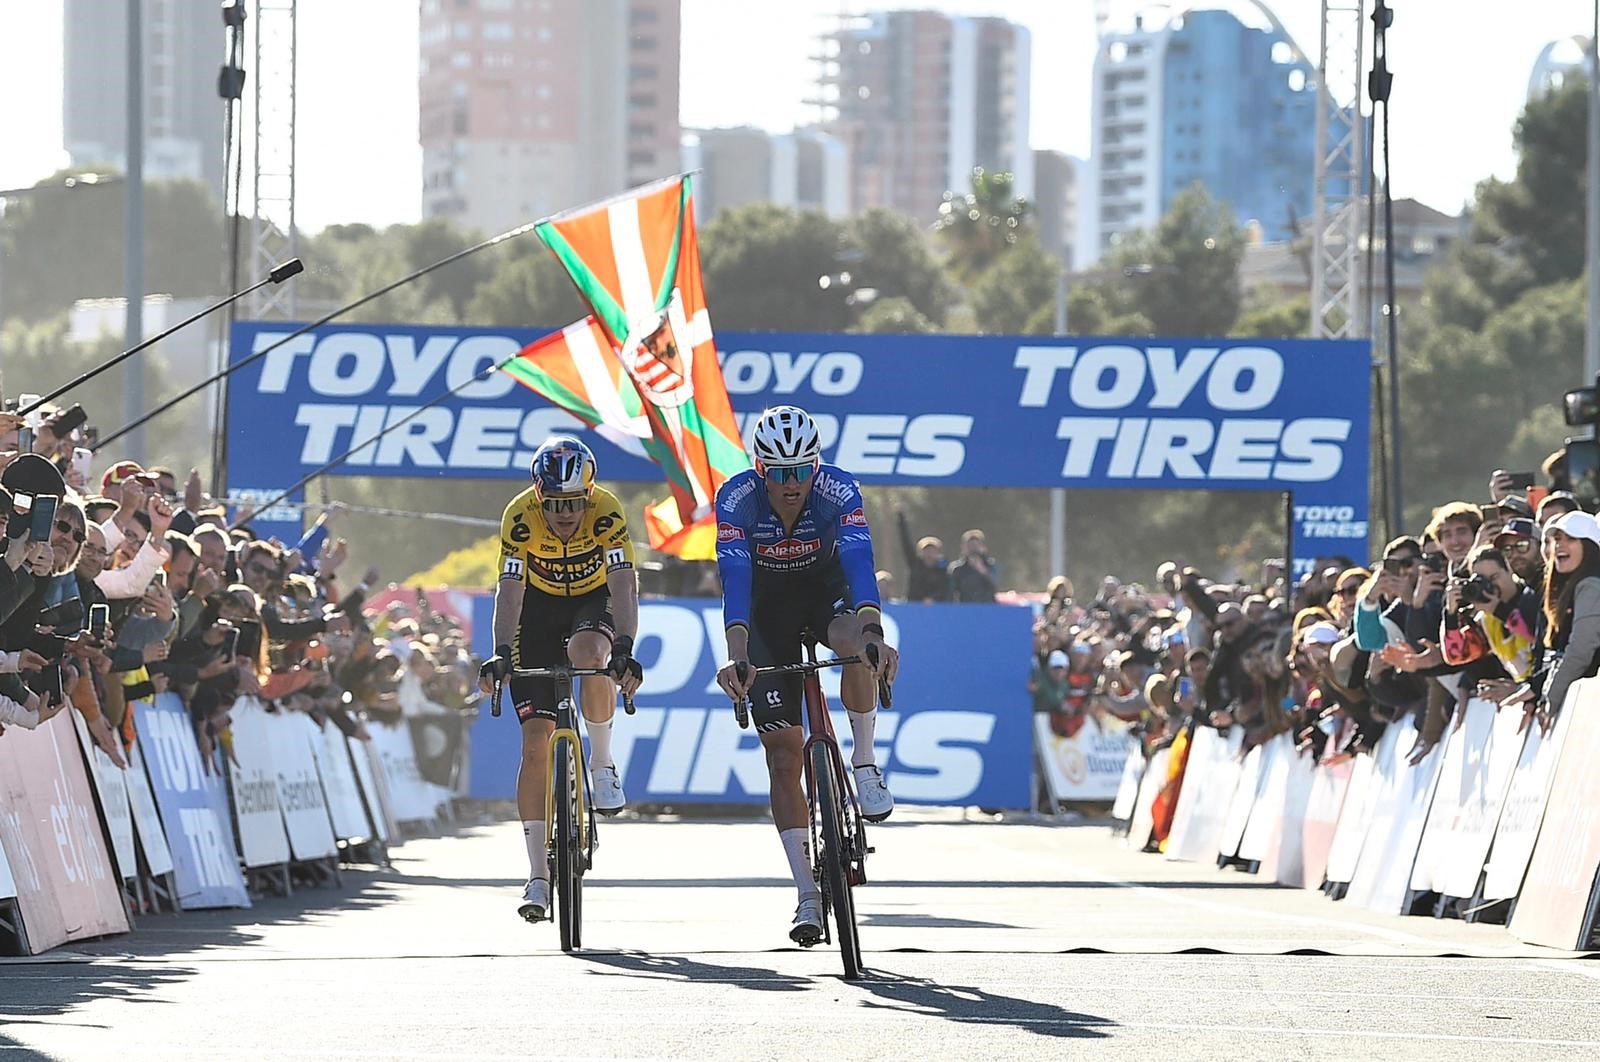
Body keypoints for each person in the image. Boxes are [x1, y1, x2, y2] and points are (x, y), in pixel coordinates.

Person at [711, 405, 899, 945]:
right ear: (760, 469)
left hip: (825, 592)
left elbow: (861, 562)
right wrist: (738, 651)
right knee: (783, 754)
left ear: (816, 466)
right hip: (766, 607)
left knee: (856, 647)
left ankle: (863, 761)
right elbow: (736, 576)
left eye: (801, 470)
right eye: (779, 472)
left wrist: (872, 630)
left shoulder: (838, 489)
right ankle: (808, 895)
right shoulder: (736, 498)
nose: (791, 484)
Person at [477, 436, 644, 924]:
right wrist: (502, 653)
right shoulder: (520, 516)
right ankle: (536, 875)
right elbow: (508, 592)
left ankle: (602, 763)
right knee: (534, 744)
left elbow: (623, 584)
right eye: (556, 504)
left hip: (593, 601)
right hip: (538, 608)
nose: (566, 513)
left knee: (590, 652)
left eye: (574, 503)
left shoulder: (608, 511)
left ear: (588, 496)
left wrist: (626, 647)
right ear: (540, 496)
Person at [948, 529, 1000, 602]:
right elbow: (951, 591)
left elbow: (995, 585)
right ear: (963, 548)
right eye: (970, 545)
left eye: (976, 545)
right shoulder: (957, 568)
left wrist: (983, 571)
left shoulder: (991, 564)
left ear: (983, 547)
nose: (973, 548)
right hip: (966, 607)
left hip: (987, 607)